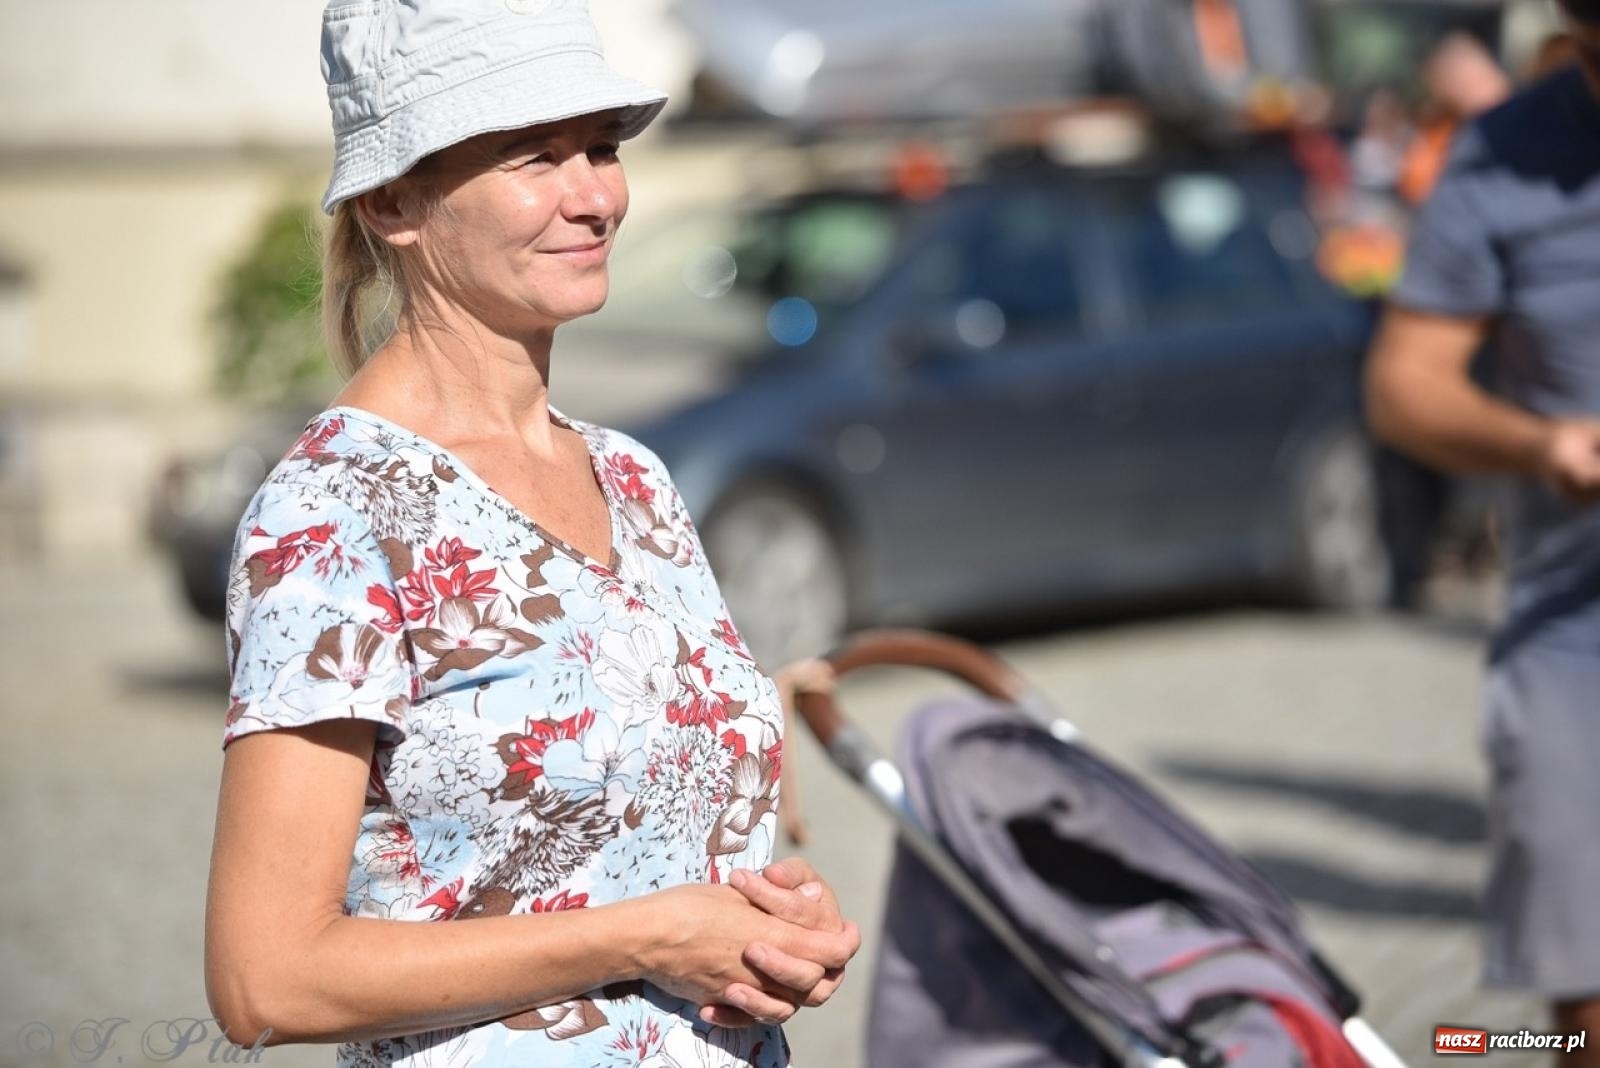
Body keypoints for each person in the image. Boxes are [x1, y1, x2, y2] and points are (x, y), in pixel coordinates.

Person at [201, 2, 859, 1065]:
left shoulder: (633, 478)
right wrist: (653, 935)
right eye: (532, 156)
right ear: (390, 200)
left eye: (599, 147)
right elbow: (265, 978)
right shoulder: (334, 513)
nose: (594, 196)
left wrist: (760, 921)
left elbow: (639, 847)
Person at [1364, 1, 1600, 1061]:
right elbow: (1404, 387)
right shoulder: (1502, 152)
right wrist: (1542, 444)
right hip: (1575, 635)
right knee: (1579, 1007)